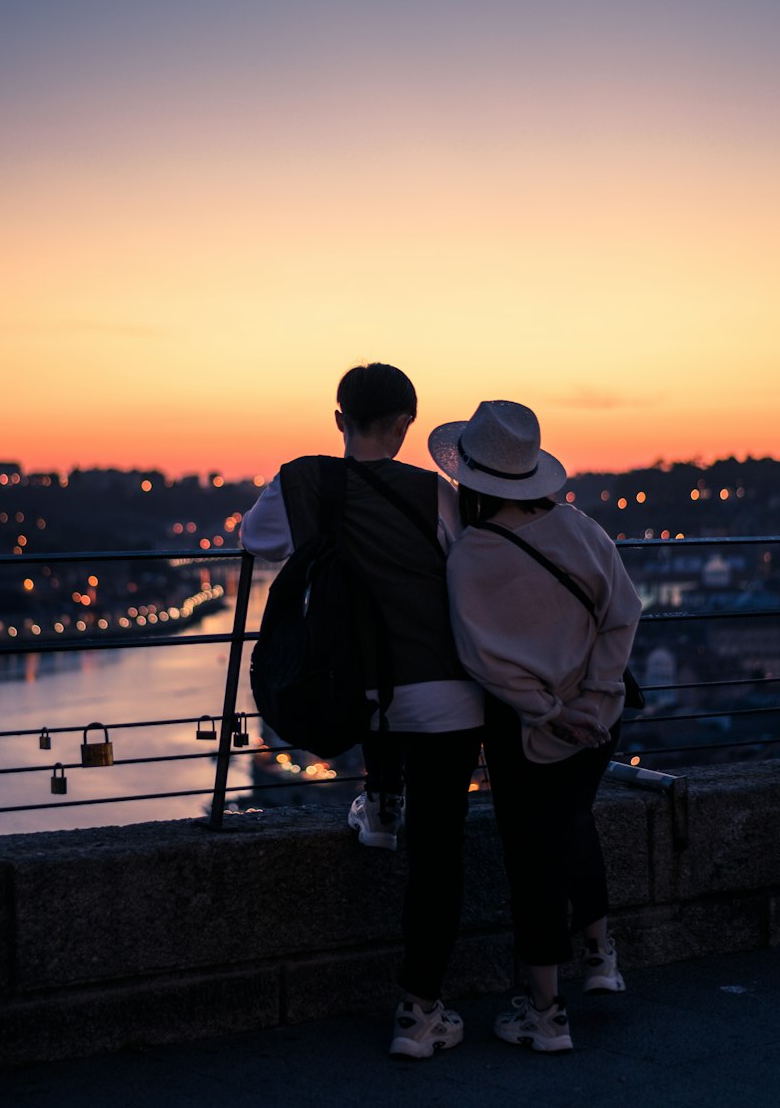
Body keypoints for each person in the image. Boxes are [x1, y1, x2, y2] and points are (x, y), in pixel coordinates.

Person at [241, 362, 483, 1059]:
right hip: (442, 691)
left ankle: (379, 803)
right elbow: (462, 575)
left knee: (378, 699)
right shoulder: (436, 494)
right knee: (439, 856)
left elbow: (254, 541)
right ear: (407, 427)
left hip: (356, 690)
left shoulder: (302, 480)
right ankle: (419, 1012)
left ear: (339, 419)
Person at [428, 399, 641, 1053]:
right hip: (600, 719)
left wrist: (551, 712)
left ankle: (546, 1013)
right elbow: (624, 610)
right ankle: (600, 955)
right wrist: (596, 698)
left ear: (470, 476)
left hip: (531, 731)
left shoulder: (471, 555)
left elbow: (485, 661)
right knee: (574, 827)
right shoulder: (580, 528)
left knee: (533, 860)